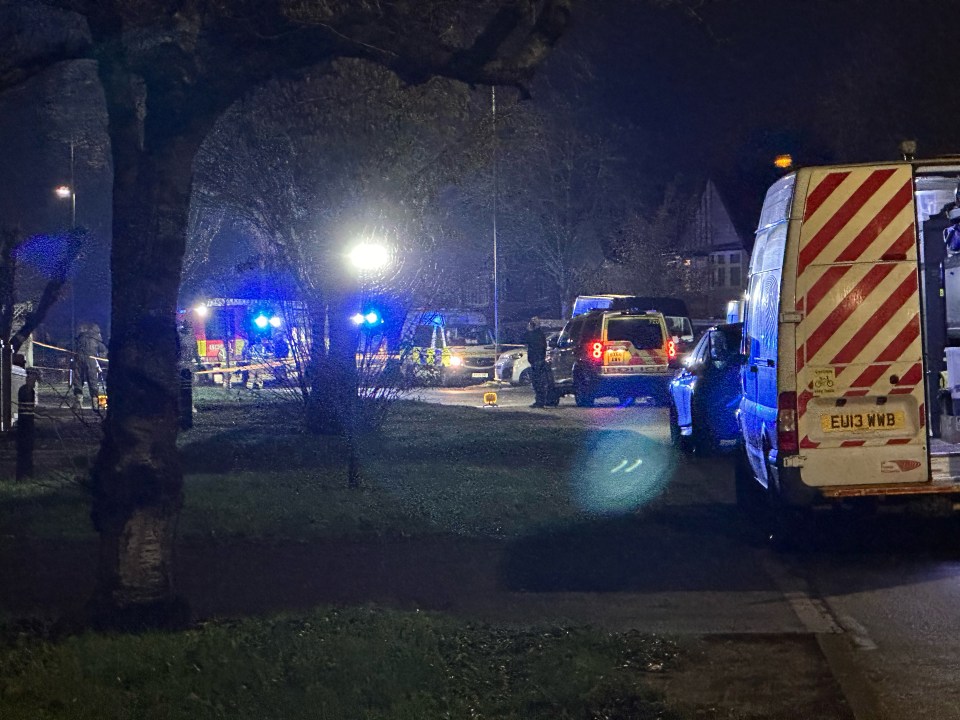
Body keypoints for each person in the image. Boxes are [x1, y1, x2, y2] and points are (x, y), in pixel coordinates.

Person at [71, 322, 108, 410]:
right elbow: (103, 350)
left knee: (78, 380)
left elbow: (72, 347)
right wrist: (100, 358)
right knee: (93, 381)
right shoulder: (95, 338)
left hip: (80, 361)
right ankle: (94, 404)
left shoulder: (80, 338)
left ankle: (79, 402)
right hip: (89, 361)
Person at [16, 368, 40, 480]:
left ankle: (25, 474)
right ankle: (24, 474)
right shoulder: (27, 391)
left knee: (26, 451)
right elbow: (27, 411)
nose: (35, 382)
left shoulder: (26, 390)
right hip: (25, 426)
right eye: (34, 379)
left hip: (25, 425)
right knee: (25, 451)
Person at [525, 316, 552, 408]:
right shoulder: (538, 334)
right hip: (536, 360)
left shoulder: (536, 334)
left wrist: (529, 331)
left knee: (538, 382)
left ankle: (540, 401)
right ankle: (540, 401)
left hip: (537, 361)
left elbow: (526, 340)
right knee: (537, 382)